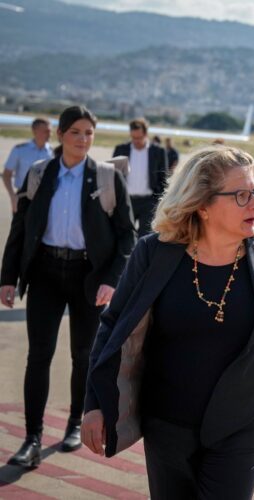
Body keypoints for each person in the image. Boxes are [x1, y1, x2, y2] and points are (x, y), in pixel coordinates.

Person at [81, 145, 254, 499]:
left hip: (242, 421)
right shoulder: (155, 253)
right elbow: (112, 326)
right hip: (167, 423)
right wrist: (94, 403)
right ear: (202, 205)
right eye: (241, 195)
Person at [0, 106, 136, 469]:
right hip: (45, 272)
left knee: (83, 356)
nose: (83, 139)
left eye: (89, 133)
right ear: (61, 135)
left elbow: (127, 236)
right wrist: (8, 278)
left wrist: (111, 279)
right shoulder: (40, 173)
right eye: (75, 132)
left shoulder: (107, 177)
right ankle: (32, 437)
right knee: (38, 356)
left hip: (88, 278)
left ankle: (76, 422)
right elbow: (20, 228)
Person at [113, 119, 168, 238]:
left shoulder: (158, 151)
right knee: (125, 236)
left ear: (146, 134)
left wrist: (157, 200)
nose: (136, 141)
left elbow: (164, 177)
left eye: (139, 137)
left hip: (148, 202)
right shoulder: (121, 149)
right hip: (126, 201)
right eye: (133, 137)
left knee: (145, 238)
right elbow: (113, 176)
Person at [3, 118, 53, 213]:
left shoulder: (53, 153)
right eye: (46, 131)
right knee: (19, 228)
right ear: (35, 131)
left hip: (45, 199)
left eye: (50, 131)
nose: (50, 134)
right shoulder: (20, 150)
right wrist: (12, 196)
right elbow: (6, 174)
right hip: (22, 197)